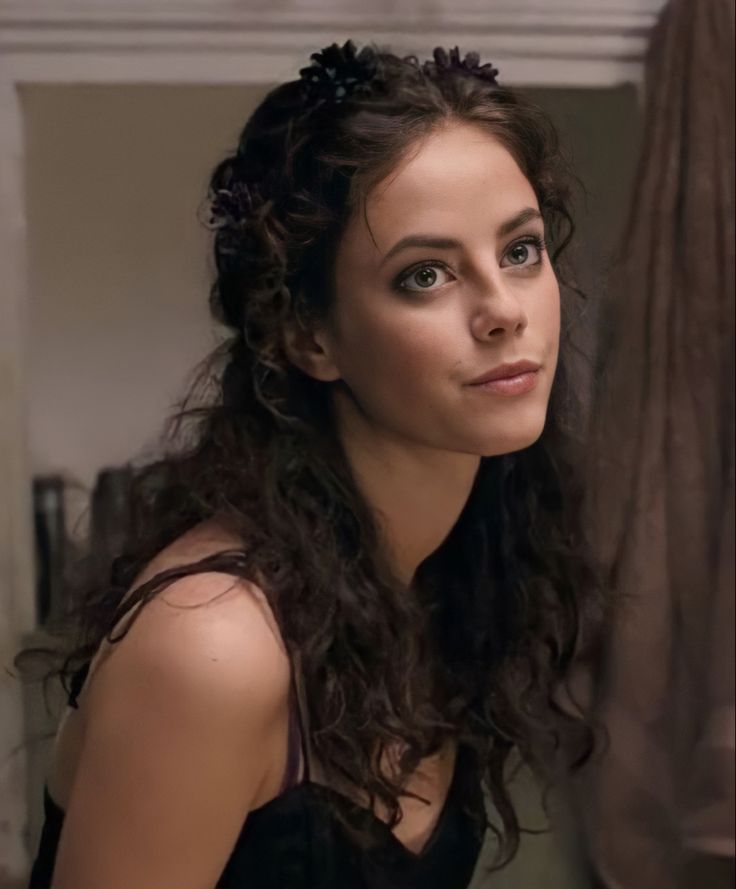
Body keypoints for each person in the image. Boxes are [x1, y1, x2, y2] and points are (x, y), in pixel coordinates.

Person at [22, 39, 604, 889]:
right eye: (427, 275)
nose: (504, 311)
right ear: (308, 334)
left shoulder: (443, 578)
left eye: (520, 251)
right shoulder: (214, 643)